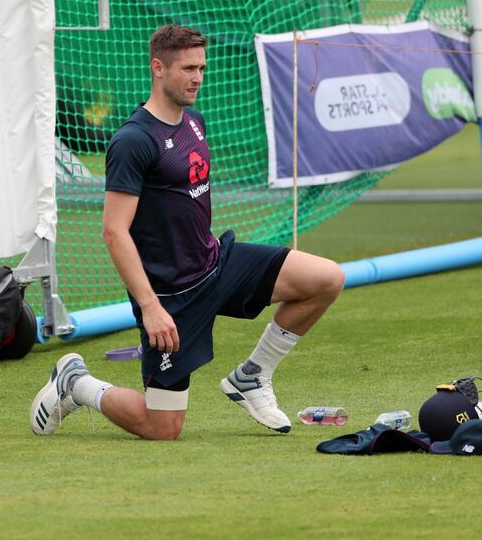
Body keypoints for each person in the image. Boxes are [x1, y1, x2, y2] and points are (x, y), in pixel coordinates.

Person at [30, 24, 344, 441]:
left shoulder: (194, 121)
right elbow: (113, 231)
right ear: (158, 68)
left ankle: (252, 375)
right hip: (171, 298)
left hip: (216, 263)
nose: (198, 77)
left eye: (201, 68)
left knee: (326, 279)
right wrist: (150, 308)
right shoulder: (133, 140)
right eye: (187, 69)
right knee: (161, 427)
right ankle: (76, 384)